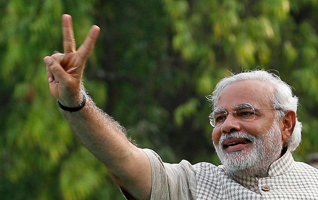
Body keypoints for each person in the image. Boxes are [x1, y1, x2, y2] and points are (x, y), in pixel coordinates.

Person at [43, 14, 318, 200]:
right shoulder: (190, 185)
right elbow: (123, 160)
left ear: (286, 124)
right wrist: (75, 101)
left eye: (245, 112)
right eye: (220, 117)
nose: (228, 126)